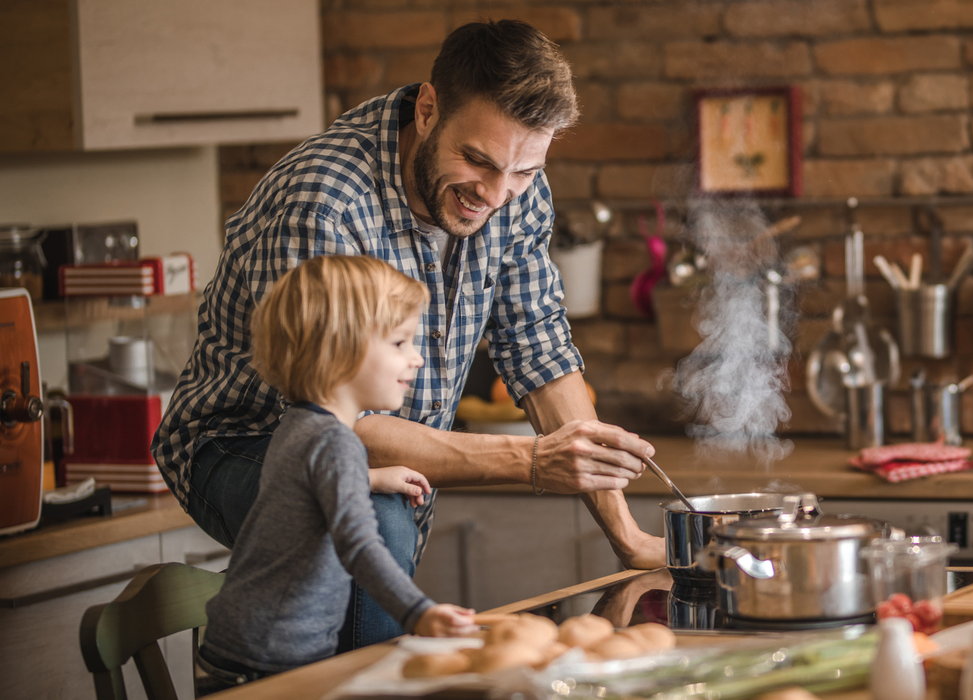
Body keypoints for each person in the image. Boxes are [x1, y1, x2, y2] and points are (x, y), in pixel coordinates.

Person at [152, 19, 663, 652]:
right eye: (476, 160)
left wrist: (627, 535)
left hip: (384, 455)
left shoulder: (514, 188)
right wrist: (530, 462)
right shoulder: (326, 201)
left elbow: (539, 348)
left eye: (525, 172)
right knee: (371, 516)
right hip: (241, 442)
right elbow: (335, 420)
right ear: (428, 109)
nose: (497, 194)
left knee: (378, 536)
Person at [199, 256, 476, 685]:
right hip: (272, 660)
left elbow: (296, 492)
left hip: (243, 645)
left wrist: (370, 478)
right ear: (339, 348)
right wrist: (418, 612)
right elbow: (361, 545)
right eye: (400, 343)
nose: (417, 359)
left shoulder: (298, 424)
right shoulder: (336, 442)